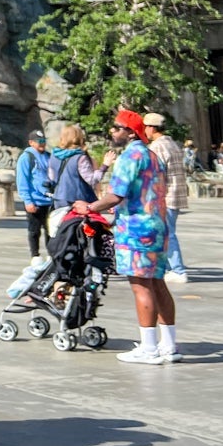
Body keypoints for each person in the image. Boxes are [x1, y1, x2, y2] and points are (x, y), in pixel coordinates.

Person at [70, 110, 179, 365]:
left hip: (136, 231)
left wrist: (89, 207)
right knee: (158, 284)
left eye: (117, 127)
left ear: (130, 132)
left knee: (141, 286)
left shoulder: (130, 156)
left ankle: (149, 348)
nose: (112, 131)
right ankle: (169, 345)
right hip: (157, 226)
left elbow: (115, 195)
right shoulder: (152, 155)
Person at [143, 114, 189, 284]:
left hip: (165, 196)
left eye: (146, 127)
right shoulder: (172, 143)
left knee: (167, 233)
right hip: (176, 194)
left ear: (152, 128)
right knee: (166, 232)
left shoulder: (157, 147)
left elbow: (156, 175)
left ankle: (178, 269)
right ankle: (168, 267)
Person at [46, 124, 104, 237]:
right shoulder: (80, 157)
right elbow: (92, 180)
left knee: (63, 233)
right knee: (82, 235)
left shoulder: (54, 155)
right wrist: (104, 166)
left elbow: (52, 177)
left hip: (59, 200)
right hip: (79, 202)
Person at [15, 130, 52, 260]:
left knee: (51, 230)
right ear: (31, 143)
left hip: (50, 201)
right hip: (35, 201)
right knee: (34, 231)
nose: (42, 144)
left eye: (43, 141)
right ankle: (35, 256)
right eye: (39, 141)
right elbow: (22, 180)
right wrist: (27, 201)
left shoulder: (49, 156)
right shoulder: (26, 158)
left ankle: (51, 255)